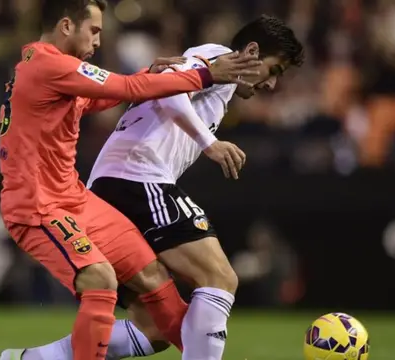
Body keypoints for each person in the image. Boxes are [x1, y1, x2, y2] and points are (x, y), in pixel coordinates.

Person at [17, 14, 305, 360]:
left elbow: (163, 85)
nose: (271, 85)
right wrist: (208, 143)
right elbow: (171, 88)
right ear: (253, 51)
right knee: (219, 276)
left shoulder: (223, 84)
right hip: (138, 176)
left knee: (153, 331)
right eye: (273, 71)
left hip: (114, 184)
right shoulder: (219, 56)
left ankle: (30, 359)